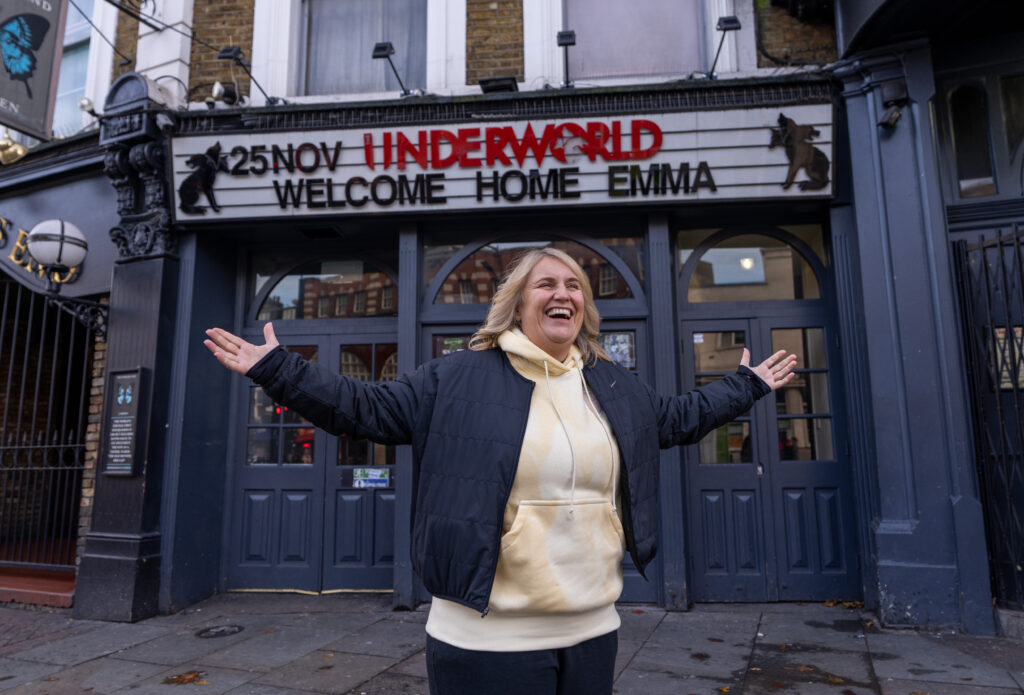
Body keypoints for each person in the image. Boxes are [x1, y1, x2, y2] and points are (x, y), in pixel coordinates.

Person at [204, 247, 796, 695]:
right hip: (488, 638)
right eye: (546, 283)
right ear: (518, 303)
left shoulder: (612, 384)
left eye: (573, 285)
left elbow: (678, 419)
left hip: (592, 628)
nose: (561, 293)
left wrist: (747, 385)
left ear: (583, 306)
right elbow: (367, 409)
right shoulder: (458, 376)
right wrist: (279, 370)